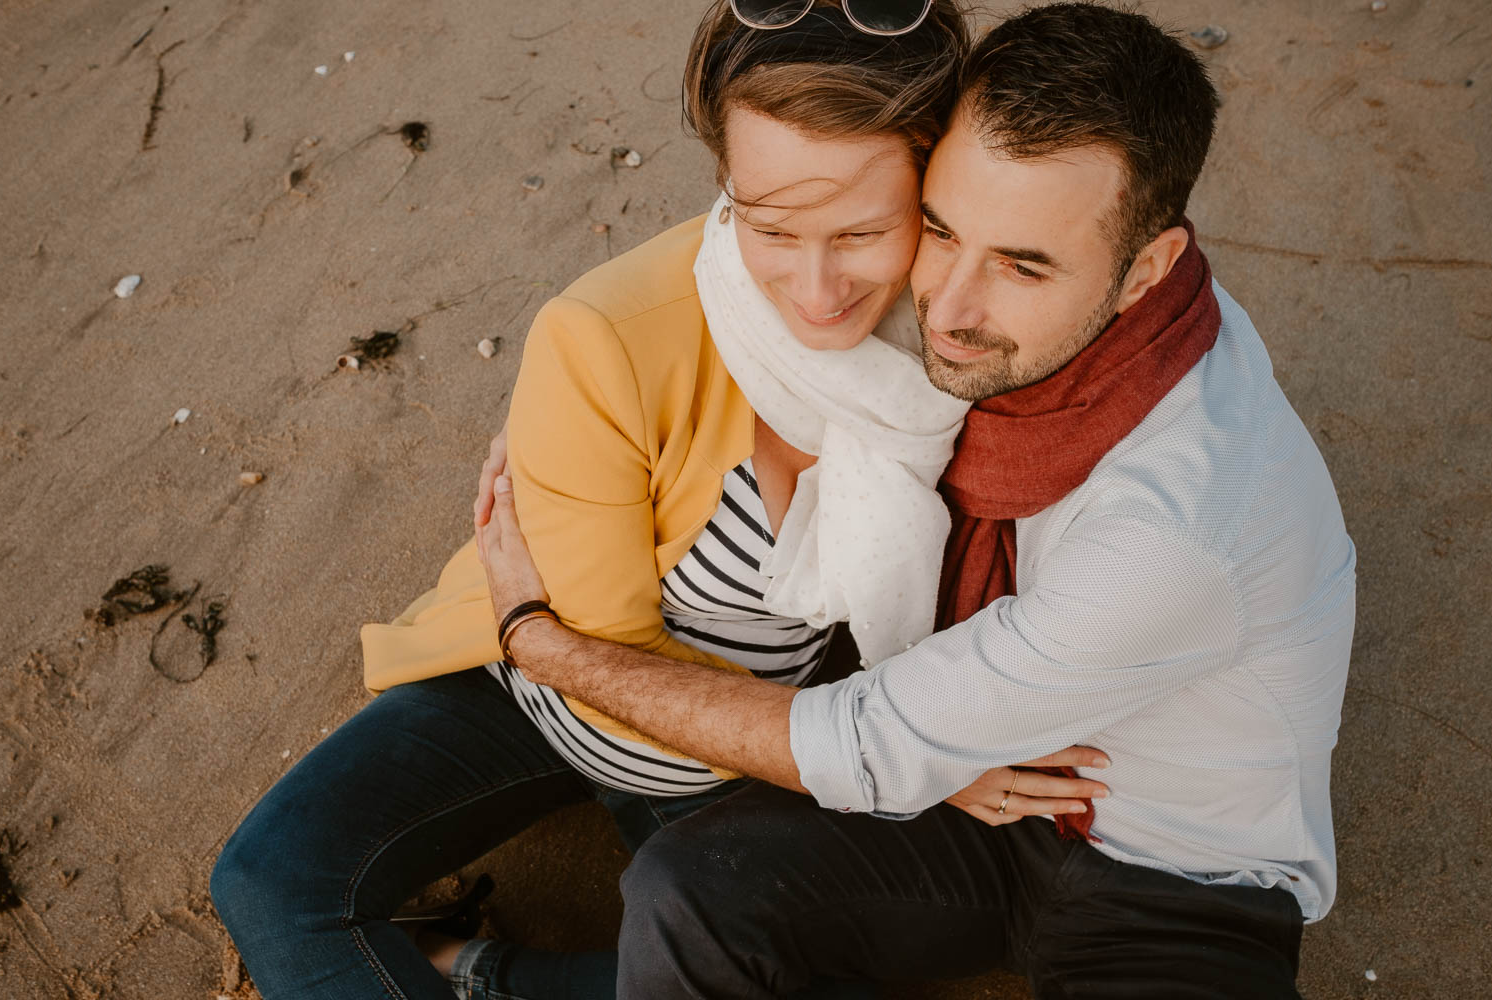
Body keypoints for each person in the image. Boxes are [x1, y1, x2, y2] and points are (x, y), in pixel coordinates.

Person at [210, 4, 1106, 999]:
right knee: (265, 879)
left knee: (759, 957)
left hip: (753, 748)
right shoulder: (605, 337)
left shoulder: (970, 339)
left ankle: (485, 972)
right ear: (727, 187)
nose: (814, 291)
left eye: (864, 232)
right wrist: (900, 762)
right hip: (551, 694)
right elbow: (603, 670)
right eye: (769, 228)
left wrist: (920, 747)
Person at [476, 4, 1357, 998]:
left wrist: (539, 639)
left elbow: (866, 746)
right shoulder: (1024, 329)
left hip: (1170, 881)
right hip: (974, 811)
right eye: (939, 229)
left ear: (1143, 269)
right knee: (688, 892)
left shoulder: (1174, 529)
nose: (946, 306)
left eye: (1022, 265)